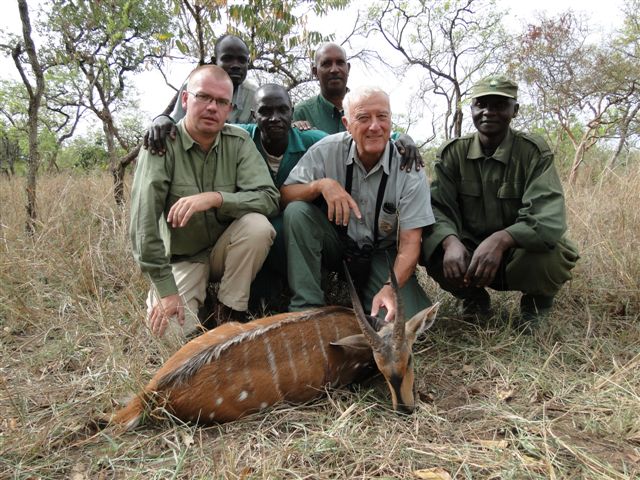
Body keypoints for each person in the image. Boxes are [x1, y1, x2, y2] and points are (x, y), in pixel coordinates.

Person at [130, 65, 280, 344]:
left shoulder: (238, 141)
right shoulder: (162, 145)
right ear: (186, 99)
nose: (213, 107)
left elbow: (269, 198)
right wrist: (166, 290)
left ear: (230, 108)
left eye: (222, 102)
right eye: (204, 98)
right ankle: (195, 299)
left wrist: (216, 198)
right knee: (169, 338)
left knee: (258, 227)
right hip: (183, 257)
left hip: (223, 252)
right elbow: (142, 226)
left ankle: (229, 313)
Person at [421, 75, 579, 328]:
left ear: (514, 110)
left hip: (517, 253)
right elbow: (437, 208)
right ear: (471, 109)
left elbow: (547, 217)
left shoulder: (532, 152)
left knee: (551, 252)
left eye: (498, 105)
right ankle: (473, 299)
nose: (488, 112)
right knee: (428, 243)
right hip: (469, 252)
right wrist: (450, 241)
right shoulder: (452, 154)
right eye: (481, 104)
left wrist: (501, 240)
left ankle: (536, 306)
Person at [281, 85, 434, 322]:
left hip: (380, 253)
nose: (375, 126)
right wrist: (320, 185)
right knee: (298, 211)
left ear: (391, 121)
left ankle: (375, 294)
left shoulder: (408, 168)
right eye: (363, 118)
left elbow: (410, 244)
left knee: (407, 324)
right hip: (337, 245)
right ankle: (307, 310)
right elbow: (286, 195)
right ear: (346, 123)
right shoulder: (326, 150)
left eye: (382, 117)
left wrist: (390, 288)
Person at [237, 84, 328, 311]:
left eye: (282, 110)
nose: (275, 118)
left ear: (292, 111)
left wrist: (398, 138)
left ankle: (307, 293)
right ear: (252, 114)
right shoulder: (241, 137)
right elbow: (203, 126)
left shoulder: (312, 140)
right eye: (265, 111)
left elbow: (353, 139)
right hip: (254, 236)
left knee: (289, 219)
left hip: (300, 234)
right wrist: (163, 121)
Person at [293, 42, 424, 172]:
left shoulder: (365, 103)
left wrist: (403, 138)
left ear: (348, 68)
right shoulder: (302, 112)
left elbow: (380, 135)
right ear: (315, 71)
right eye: (326, 64)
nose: (334, 69)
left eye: (340, 62)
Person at [145, 35, 258, 155]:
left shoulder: (254, 95)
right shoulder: (195, 86)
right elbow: (175, 125)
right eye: (228, 59)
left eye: (242, 60)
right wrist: (162, 118)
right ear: (215, 61)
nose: (236, 65)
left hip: (233, 158)